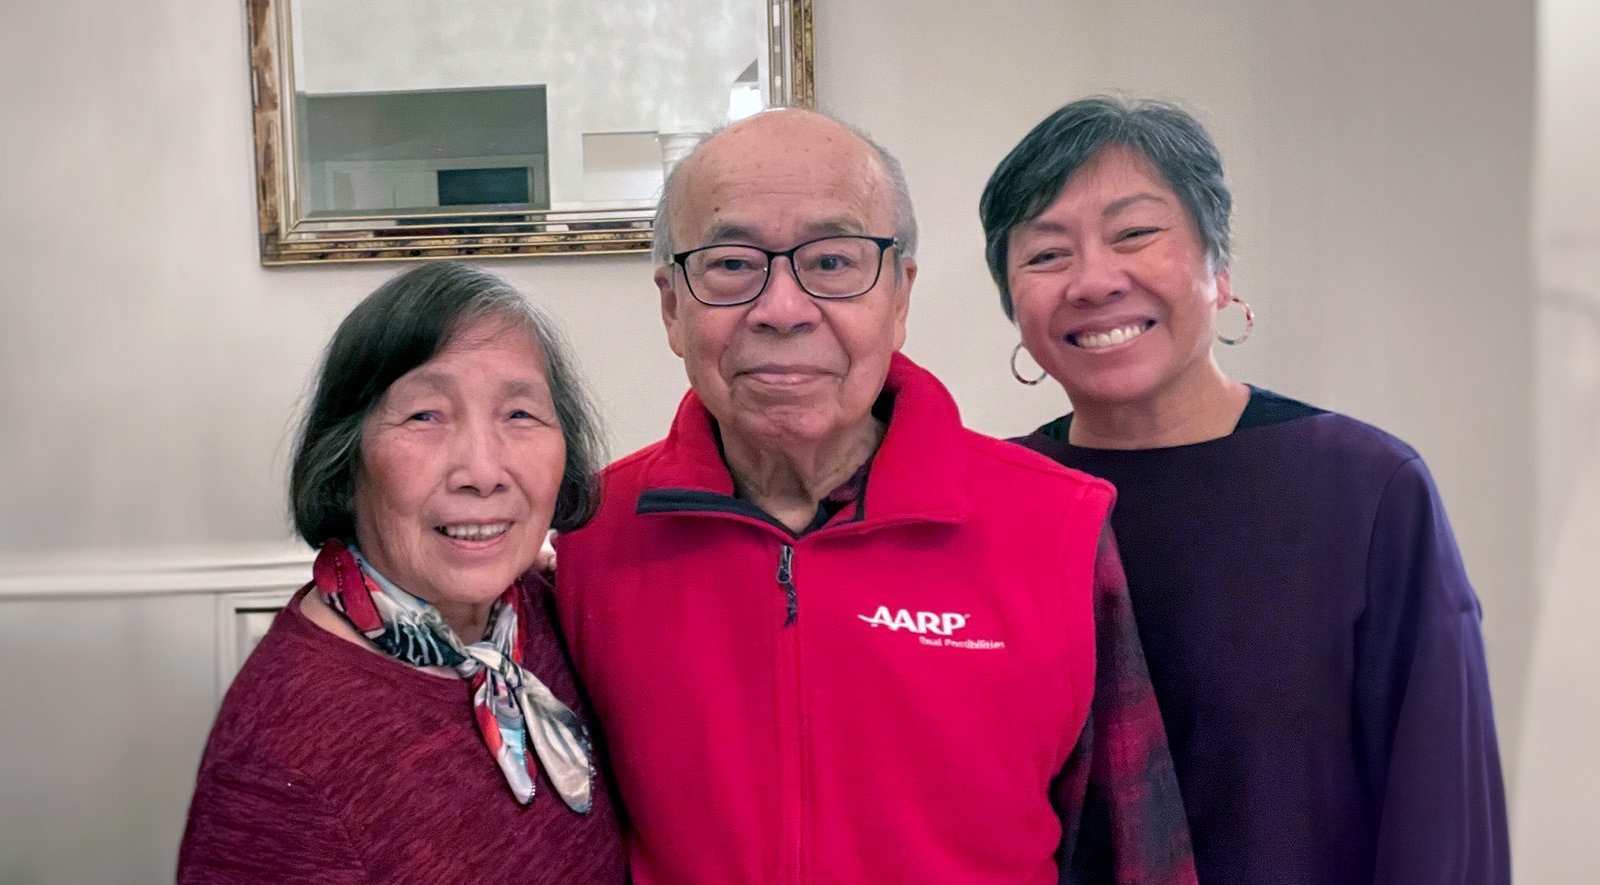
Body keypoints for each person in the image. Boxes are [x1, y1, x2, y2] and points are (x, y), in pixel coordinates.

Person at [555, 108, 1196, 884]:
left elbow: (1132, 849)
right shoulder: (589, 534)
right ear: (671, 308)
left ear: (900, 297)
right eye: (730, 264)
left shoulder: (1057, 527)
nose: (783, 310)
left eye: (832, 262)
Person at [980, 96, 1510, 884]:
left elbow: (1443, 820)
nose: (1093, 281)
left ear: (1218, 269)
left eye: (1135, 234)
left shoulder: (1363, 490)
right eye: (1047, 255)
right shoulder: (990, 503)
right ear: (1014, 305)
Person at [177, 262, 626, 884]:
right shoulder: (282, 763)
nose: (483, 470)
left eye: (520, 414)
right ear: (346, 457)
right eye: (425, 416)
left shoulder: (543, 612)